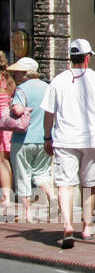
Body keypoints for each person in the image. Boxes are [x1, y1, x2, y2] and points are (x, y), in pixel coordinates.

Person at [40, 39, 95, 248]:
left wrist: (47, 137)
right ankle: (87, 227)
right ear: (88, 57)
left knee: (65, 185)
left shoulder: (58, 81)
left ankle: (67, 224)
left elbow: (49, 114)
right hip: (93, 140)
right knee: (89, 184)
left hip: (65, 139)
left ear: (71, 57)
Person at [9, 57, 53, 223]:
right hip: (44, 138)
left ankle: (26, 212)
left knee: (22, 175)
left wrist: (14, 107)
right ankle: (54, 199)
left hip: (22, 139)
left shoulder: (21, 89)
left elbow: (18, 110)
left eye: (18, 72)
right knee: (42, 174)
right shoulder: (48, 87)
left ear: (26, 73)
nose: (16, 75)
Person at [0, 52, 14, 215]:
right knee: (6, 161)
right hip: (7, 123)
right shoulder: (8, 80)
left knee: (1, 161)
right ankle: (7, 194)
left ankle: (6, 196)